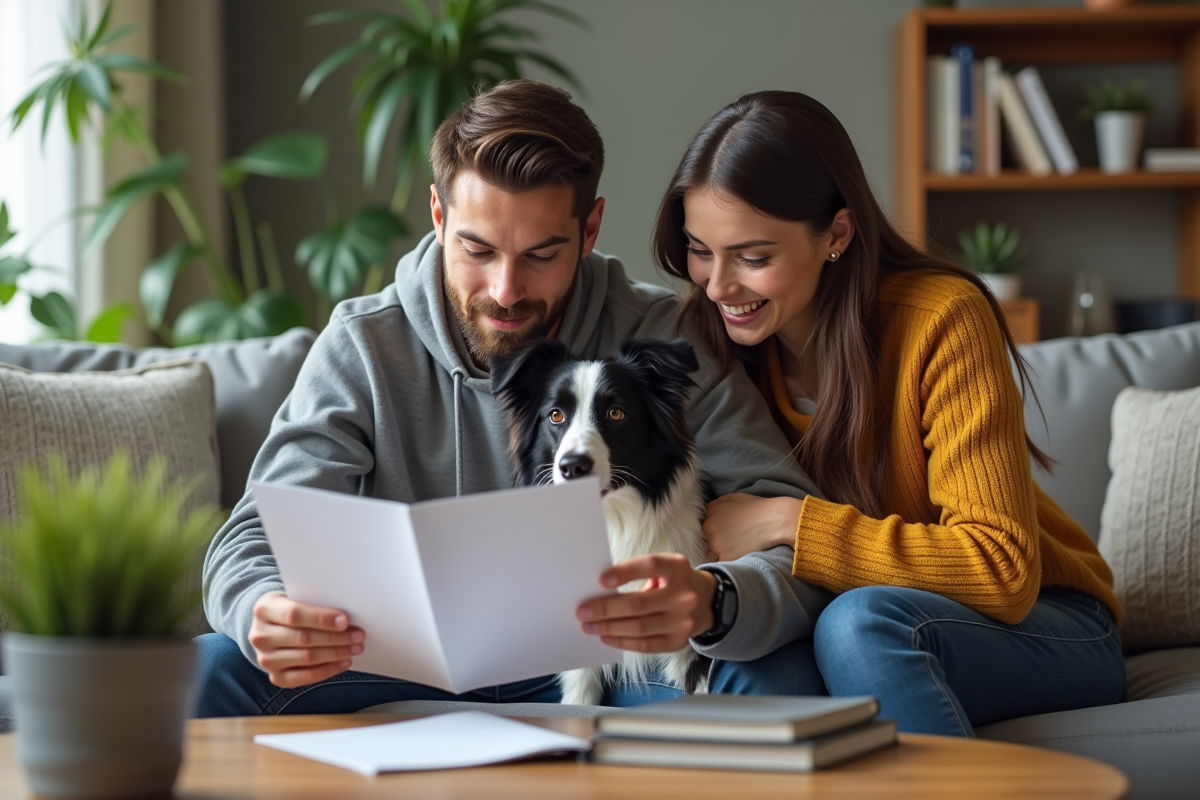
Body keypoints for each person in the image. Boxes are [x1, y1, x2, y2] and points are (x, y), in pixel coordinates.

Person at [196, 80, 834, 717]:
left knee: (777, 674)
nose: (505, 289)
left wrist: (713, 600)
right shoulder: (362, 345)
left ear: (589, 231)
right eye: (477, 250)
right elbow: (253, 532)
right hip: (395, 663)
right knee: (212, 669)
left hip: (614, 666)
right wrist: (264, 609)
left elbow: (792, 528)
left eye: (541, 254)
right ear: (439, 218)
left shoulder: (663, 337)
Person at [652, 90, 1125, 737]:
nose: (717, 285)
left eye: (753, 257)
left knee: (859, 626)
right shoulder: (714, 346)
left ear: (836, 235)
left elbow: (1002, 570)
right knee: (764, 666)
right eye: (700, 249)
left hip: (1051, 622)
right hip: (876, 618)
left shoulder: (941, 319)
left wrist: (793, 522)